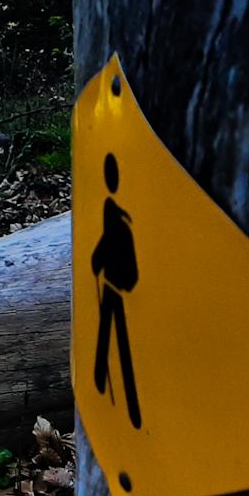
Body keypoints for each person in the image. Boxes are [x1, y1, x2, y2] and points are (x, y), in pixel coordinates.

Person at [92, 151, 141, 428]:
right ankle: (101, 382)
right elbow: (105, 239)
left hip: (116, 285)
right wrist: (97, 259)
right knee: (108, 333)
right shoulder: (111, 212)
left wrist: (97, 260)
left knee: (118, 337)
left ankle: (131, 406)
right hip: (112, 284)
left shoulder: (121, 220)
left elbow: (109, 241)